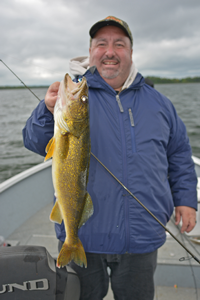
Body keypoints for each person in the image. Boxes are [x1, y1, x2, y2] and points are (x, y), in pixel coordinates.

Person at [22, 16, 197, 300]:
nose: (110, 51)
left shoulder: (161, 103)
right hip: (86, 234)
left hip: (141, 235)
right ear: (91, 52)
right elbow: (35, 142)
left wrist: (186, 199)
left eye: (119, 44)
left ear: (130, 51)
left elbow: (179, 154)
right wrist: (47, 109)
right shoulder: (76, 96)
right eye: (101, 43)